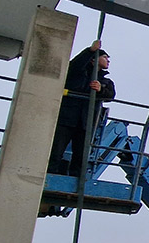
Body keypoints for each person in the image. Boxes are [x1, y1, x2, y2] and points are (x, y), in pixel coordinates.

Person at [47, 39, 115, 177]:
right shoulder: (77, 74)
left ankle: (76, 178)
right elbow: (74, 65)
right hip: (67, 118)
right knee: (56, 150)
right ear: (94, 59)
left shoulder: (105, 81)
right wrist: (90, 51)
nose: (108, 60)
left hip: (86, 122)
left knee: (81, 155)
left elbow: (110, 95)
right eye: (105, 57)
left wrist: (101, 89)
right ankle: (50, 173)